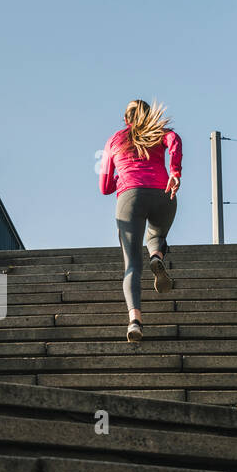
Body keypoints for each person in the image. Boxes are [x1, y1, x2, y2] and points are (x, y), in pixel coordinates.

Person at [98, 99, 182, 342]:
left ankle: (135, 321)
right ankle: (157, 256)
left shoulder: (114, 139)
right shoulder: (159, 132)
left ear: (126, 119)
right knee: (156, 234)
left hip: (130, 197)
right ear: (148, 115)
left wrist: (121, 176)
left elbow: (104, 187)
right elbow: (174, 140)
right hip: (164, 194)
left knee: (132, 264)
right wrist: (175, 171)